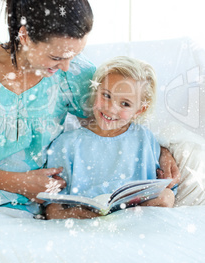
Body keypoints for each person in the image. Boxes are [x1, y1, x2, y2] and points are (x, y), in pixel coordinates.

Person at [0, 0, 178, 216]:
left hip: (35, 206)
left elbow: (117, 120)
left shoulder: (75, 75)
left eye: (75, 55)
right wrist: (18, 182)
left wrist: (162, 151)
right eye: (56, 57)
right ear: (25, 36)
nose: (66, 66)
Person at [45, 56, 177, 220]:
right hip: (85, 217)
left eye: (125, 104)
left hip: (134, 215)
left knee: (166, 196)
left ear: (139, 110)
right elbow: (52, 205)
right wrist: (74, 212)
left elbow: (162, 187)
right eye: (106, 95)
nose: (110, 108)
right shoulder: (67, 143)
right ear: (96, 90)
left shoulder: (144, 138)